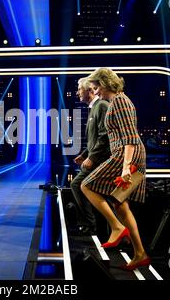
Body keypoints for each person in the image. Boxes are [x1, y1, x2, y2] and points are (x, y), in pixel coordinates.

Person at [80, 68, 149, 270]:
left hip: (127, 155)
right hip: (125, 155)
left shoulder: (119, 101)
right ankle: (140, 253)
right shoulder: (117, 101)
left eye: (96, 87)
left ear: (105, 83)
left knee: (87, 185)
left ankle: (117, 227)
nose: (95, 91)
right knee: (120, 204)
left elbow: (129, 137)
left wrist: (126, 167)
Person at [71, 77, 110, 235]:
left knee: (77, 185)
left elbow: (104, 136)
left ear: (89, 90)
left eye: (80, 89)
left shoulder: (101, 106)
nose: (77, 92)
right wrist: (84, 154)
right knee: (79, 186)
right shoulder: (93, 108)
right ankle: (90, 224)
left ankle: (90, 224)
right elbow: (94, 140)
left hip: (101, 160)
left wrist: (91, 158)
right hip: (96, 158)